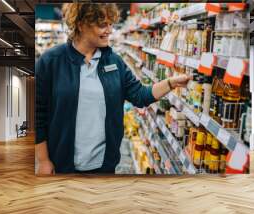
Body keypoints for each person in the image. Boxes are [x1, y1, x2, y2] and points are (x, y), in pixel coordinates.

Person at [35, 3, 191, 175]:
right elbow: (38, 115)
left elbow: (140, 95)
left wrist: (170, 83)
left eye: (111, 24)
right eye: (102, 24)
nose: (109, 30)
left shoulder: (114, 62)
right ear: (81, 24)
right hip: (62, 165)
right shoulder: (51, 61)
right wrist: (43, 160)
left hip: (104, 166)